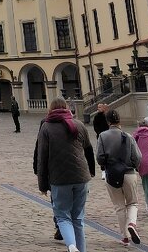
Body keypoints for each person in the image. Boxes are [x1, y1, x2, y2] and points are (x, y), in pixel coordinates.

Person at [36, 98, 95, 252]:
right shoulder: (79, 125)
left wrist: (42, 185)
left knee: (62, 216)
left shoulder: (46, 127)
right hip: (81, 177)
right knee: (78, 219)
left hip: (59, 179)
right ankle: (80, 249)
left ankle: (71, 246)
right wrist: (91, 171)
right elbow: (88, 150)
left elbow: (42, 158)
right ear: (67, 108)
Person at [97, 109, 143, 246]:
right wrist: (133, 165)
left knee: (119, 206)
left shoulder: (103, 136)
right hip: (128, 172)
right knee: (132, 202)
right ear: (119, 120)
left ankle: (125, 237)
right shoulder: (128, 136)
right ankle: (132, 223)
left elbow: (99, 157)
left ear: (108, 121)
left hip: (111, 173)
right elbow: (138, 157)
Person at [93, 103, 111, 179]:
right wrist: (99, 133)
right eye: (98, 107)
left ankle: (109, 169)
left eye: (100, 107)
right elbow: (95, 127)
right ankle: (103, 171)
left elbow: (110, 125)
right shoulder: (96, 117)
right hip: (100, 137)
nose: (98, 108)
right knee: (101, 153)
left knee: (110, 152)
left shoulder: (107, 116)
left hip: (108, 137)